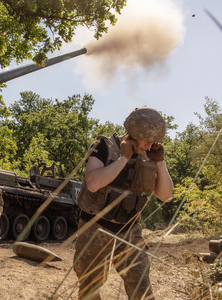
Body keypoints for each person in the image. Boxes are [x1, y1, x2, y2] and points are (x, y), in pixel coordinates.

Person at [73, 107, 174, 300]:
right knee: (89, 288)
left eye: (154, 141)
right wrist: (123, 159)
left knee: (141, 286)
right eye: (146, 140)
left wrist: (160, 163)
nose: (149, 145)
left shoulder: (149, 155)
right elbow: (93, 183)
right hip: (96, 228)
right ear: (133, 133)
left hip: (129, 231)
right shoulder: (104, 146)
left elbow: (165, 196)